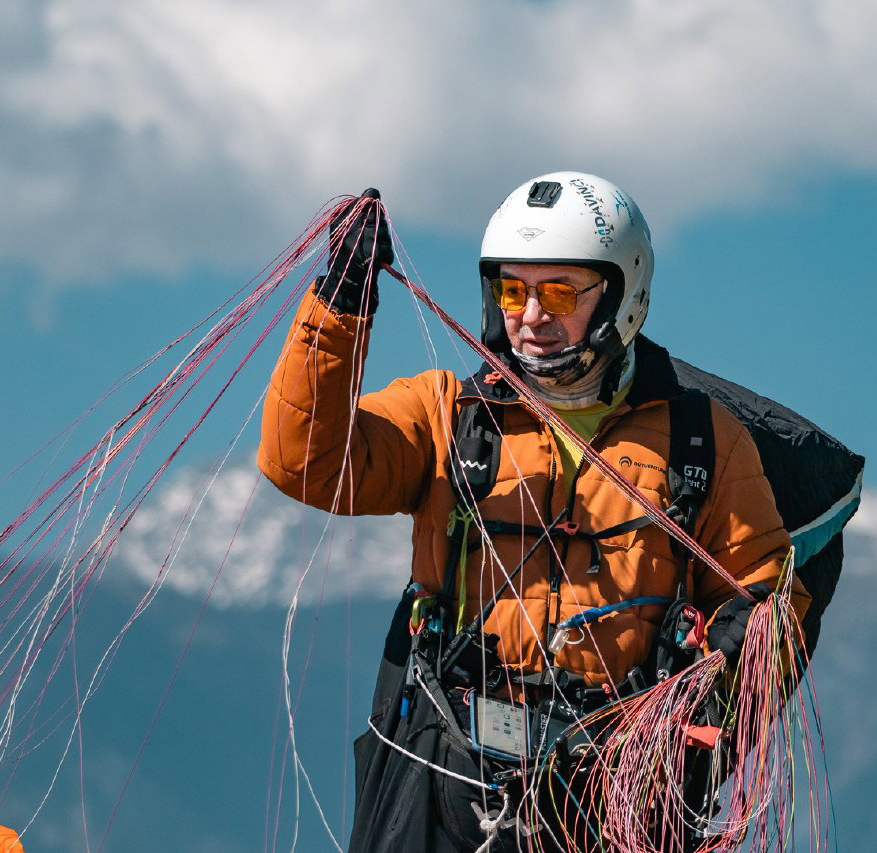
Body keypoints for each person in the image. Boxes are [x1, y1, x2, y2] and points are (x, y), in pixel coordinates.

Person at [257, 174, 811, 852]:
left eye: (558, 291)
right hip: (446, 783)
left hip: (617, 800)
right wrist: (340, 303)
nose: (531, 314)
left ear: (621, 295)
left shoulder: (704, 441)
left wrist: (711, 694)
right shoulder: (448, 417)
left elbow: (774, 603)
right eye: (513, 289)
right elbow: (305, 461)